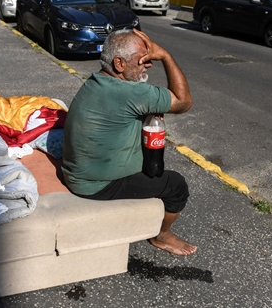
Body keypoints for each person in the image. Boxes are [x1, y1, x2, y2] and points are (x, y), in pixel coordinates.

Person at [62, 29, 197, 256]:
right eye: (142, 60)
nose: (148, 64)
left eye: (151, 59)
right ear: (119, 64)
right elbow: (184, 102)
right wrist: (165, 56)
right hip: (96, 185)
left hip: (81, 173)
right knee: (176, 185)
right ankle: (161, 235)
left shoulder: (98, 81)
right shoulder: (129, 92)